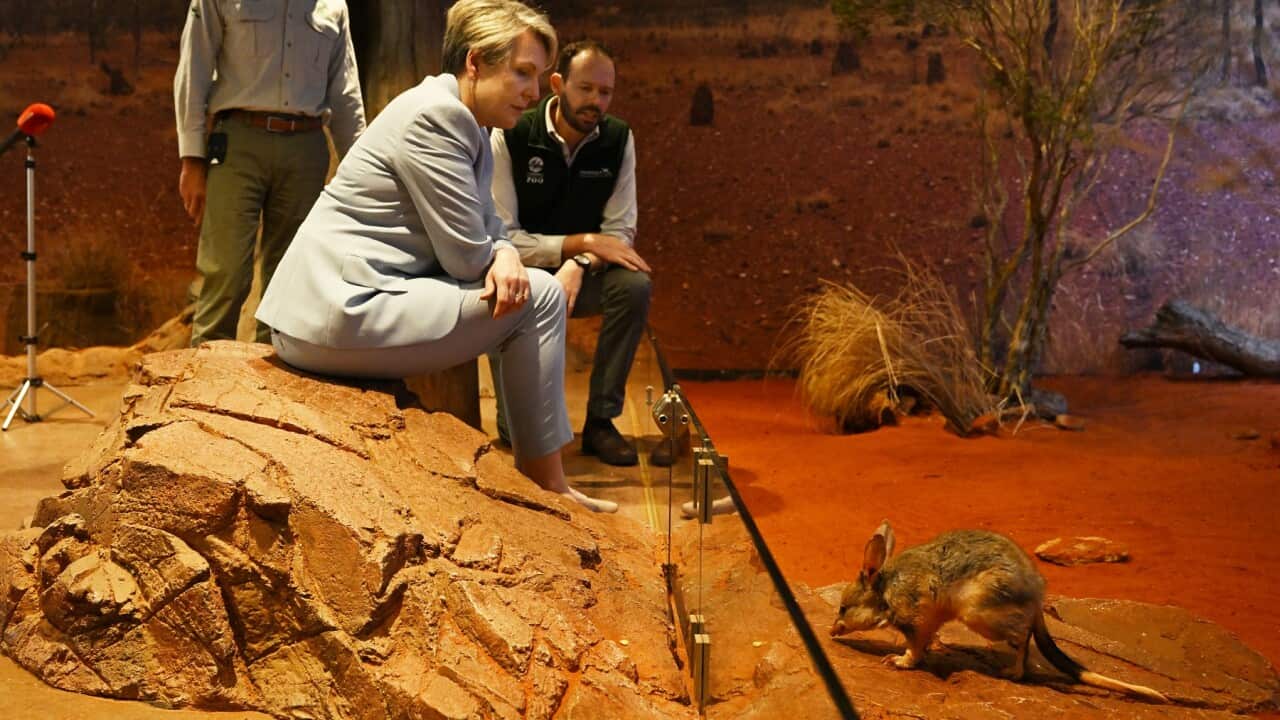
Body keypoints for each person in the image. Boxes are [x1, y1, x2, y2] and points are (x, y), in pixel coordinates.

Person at [255, 0, 617, 513]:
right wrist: (501, 254)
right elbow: (468, 256)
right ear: (475, 63)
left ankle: (545, 480)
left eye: (539, 77)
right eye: (522, 73)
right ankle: (546, 486)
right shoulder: (436, 117)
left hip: (352, 305)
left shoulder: (474, 125)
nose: (535, 92)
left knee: (530, 289)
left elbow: (488, 229)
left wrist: (502, 251)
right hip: (340, 312)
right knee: (538, 298)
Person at [491, 40, 672, 467]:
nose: (596, 102)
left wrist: (580, 262)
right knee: (512, 434)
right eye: (585, 89)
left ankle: (601, 422)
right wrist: (580, 244)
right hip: (521, 272)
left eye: (605, 92)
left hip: (585, 274)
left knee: (633, 285)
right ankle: (519, 421)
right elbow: (503, 235)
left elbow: (620, 231)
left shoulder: (618, 138)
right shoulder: (513, 133)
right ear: (557, 84)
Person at [174, 0, 366, 347]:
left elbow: (345, 94)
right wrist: (192, 158)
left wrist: (365, 171)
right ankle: (202, 384)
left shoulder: (333, 5)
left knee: (289, 279)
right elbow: (194, 68)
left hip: (305, 149)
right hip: (238, 143)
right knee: (225, 273)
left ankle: (274, 385)